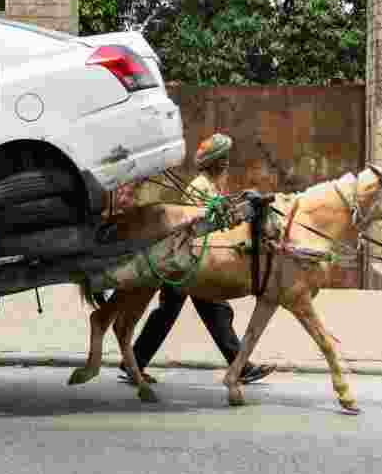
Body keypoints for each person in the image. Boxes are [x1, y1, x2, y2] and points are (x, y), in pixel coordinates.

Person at [119, 133, 277, 385]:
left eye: (226, 158)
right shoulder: (201, 186)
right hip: (186, 261)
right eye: (222, 159)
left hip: (193, 261)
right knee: (209, 310)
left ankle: (135, 362)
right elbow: (200, 221)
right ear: (214, 163)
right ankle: (241, 366)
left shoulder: (211, 184)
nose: (226, 163)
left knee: (177, 312)